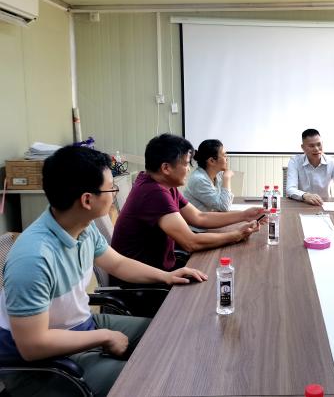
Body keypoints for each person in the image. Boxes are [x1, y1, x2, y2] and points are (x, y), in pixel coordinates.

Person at [0, 146, 207, 397]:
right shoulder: (34, 258)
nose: (115, 194)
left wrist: (166, 276)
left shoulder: (82, 227)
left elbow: (117, 263)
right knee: (157, 381)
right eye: (111, 188)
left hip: (79, 326)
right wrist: (104, 337)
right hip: (43, 367)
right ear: (87, 200)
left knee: (169, 333)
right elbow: (33, 346)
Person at [111, 134, 263, 278]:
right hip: (143, 282)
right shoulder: (153, 192)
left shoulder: (162, 184)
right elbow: (191, 242)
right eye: (185, 164)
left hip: (159, 270)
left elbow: (199, 217)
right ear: (166, 168)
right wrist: (236, 235)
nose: (189, 169)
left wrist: (244, 215)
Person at [286, 128, 334, 206]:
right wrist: (305, 195)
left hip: (324, 205)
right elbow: (290, 189)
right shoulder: (295, 161)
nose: (316, 149)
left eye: (319, 144)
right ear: (303, 147)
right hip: (302, 204)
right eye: (311, 146)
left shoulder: (333, 163)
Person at [183, 139, 233, 212]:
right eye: (224, 155)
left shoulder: (218, 174)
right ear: (212, 161)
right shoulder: (199, 179)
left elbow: (224, 204)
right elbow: (224, 207)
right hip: (195, 219)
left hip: (211, 216)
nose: (226, 159)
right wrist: (227, 178)